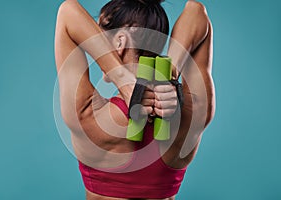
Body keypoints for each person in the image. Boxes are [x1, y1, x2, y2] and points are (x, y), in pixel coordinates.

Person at [54, 0, 215, 199]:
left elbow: (67, 12)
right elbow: (196, 11)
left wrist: (121, 78)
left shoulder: (88, 116)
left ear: (119, 42)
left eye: (101, 37)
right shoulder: (193, 114)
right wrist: (169, 74)